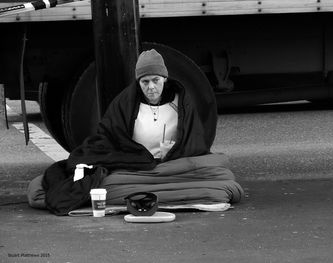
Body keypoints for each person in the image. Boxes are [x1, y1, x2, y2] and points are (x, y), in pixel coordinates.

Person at [27, 49, 243, 215]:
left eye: (156, 81)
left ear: (165, 79)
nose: (151, 87)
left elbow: (196, 140)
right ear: (138, 82)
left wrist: (176, 151)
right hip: (135, 165)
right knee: (98, 184)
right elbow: (109, 138)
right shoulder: (125, 103)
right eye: (145, 82)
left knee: (224, 176)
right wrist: (137, 157)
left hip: (174, 164)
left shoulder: (182, 103)